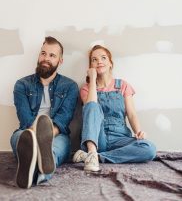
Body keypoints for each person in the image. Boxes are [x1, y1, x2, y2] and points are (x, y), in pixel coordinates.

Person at [72, 45, 156, 172]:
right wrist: (93, 78)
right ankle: (92, 151)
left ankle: (95, 157)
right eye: (94, 60)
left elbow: (132, 114)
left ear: (110, 63)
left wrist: (139, 132)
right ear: (91, 66)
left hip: (120, 137)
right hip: (97, 138)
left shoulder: (122, 85)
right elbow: (91, 107)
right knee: (92, 106)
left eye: (103, 58)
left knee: (149, 148)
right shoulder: (86, 88)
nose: (99, 61)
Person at [10, 36, 79, 188]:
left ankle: (31, 171)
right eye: (43, 53)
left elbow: (64, 119)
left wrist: (46, 135)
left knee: (52, 151)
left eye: (52, 55)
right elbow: (25, 118)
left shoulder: (70, 86)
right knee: (19, 139)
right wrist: (36, 137)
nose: (46, 58)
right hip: (27, 133)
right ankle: (39, 173)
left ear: (60, 61)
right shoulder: (22, 85)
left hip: (57, 135)